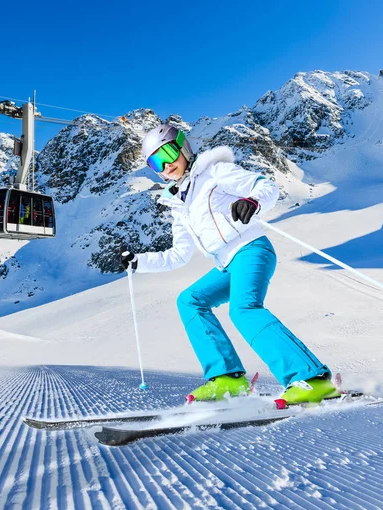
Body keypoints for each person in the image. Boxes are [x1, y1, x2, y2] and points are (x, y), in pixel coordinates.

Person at [120, 124, 339, 404]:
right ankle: (227, 379)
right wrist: (138, 262)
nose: (165, 165)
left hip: (250, 249)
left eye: (167, 153)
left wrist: (252, 202)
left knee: (243, 309)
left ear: (183, 147)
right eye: (155, 162)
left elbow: (265, 186)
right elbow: (179, 254)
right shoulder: (178, 203)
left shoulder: (214, 172)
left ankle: (311, 378)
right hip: (226, 264)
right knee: (190, 300)